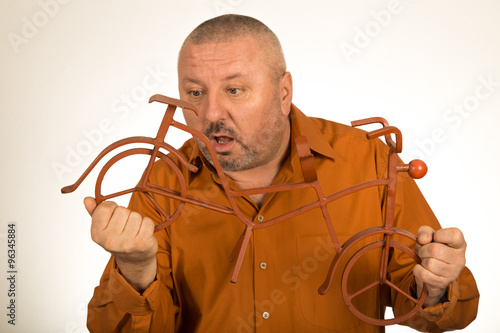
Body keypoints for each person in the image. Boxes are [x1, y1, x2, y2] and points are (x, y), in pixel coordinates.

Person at [83, 14, 479, 332]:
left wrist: (435, 286)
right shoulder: (163, 185)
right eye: (195, 93)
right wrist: (135, 271)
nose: (211, 114)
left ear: (284, 93)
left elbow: (441, 311)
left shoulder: (368, 163)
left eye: (234, 90)